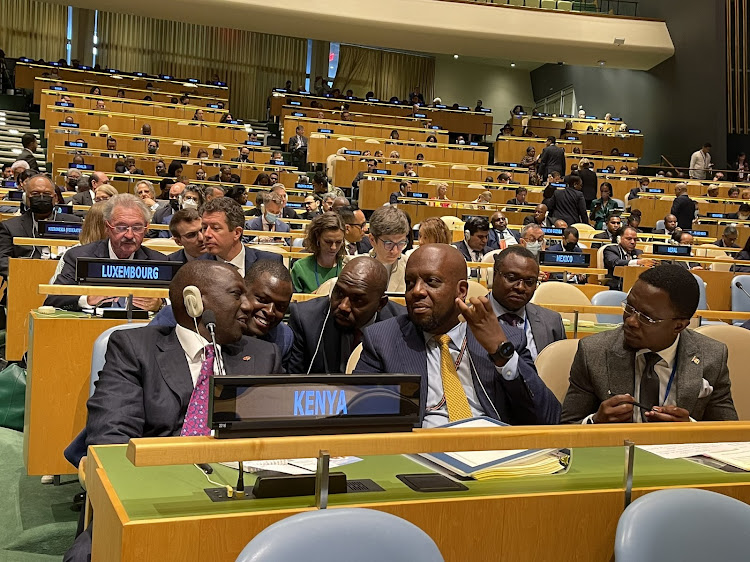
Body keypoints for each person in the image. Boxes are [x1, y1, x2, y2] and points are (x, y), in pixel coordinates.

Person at [63, 260, 283, 561]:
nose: (248, 306)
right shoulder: (134, 348)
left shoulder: (263, 355)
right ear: (195, 301)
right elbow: (111, 441)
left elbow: (275, 441)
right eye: (236, 294)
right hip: (153, 495)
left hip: (236, 496)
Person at [354, 244, 561, 426]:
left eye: (431, 281)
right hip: (420, 454)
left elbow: (547, 417)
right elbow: (355, 412)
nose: (416, 291)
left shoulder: (506, 338)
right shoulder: (383, 339)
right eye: (410, 282)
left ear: (461, 290)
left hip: (492, 453)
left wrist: (502, 354)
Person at [561, 265, 737, 424]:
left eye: (646, 317)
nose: (630, 321)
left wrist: (690, 429)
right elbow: (566, 427)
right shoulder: (593, 352)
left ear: (679, 325)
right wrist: (595, 422)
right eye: (629, 307)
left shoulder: (712, 356)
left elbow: (729, 434)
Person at [150, 259, 294, 365]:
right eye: (262, 299)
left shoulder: (282, 338)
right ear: (243, 290)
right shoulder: (180, 316)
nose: (270, 311)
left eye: (281, 307)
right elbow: (149, 356)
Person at [44, 194, 167, 311]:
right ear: (107, 227)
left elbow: (176, 300)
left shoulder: (159, 261)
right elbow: (54, 298)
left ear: (146, 228)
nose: (130, 235)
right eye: (121, 227)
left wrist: (161, 303)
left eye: (137, 228)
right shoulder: (78, 256)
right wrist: (87, 300)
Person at [287, 257, 405, 373]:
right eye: (339, 292)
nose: (343, 306)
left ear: (380, 304)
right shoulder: (305, 318)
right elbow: (293, 386)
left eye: (357, 300)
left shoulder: (402, 326)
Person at [0, 174, 82, 279]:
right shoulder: (10, 227)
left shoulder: (74, 223)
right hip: (25, 280)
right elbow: (2, 261)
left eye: (47, 194)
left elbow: (81, 255)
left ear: (55, 198)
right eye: (35, 194)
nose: (42, 197)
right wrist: (30, 273)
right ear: (26, 198)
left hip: (64, 279)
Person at [491, 246, 566, 360]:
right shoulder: (466, 318)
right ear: (494, 275)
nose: (521, 287)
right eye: (511, 278)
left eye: (529, 282)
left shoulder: (552, 322)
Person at [199, 197, 282, 276]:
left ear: (237, 233)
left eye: (216, 228)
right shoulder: (197, 267)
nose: (207, 234)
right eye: (204, 228)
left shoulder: (270, 263)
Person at [356, 205, 409, 293]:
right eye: (389, 244)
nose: (395, 251)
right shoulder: (357, 266)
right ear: (372, 240)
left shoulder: (410, 267)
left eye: (401, 243)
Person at [291, 212, 345, 293]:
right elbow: (292, 303)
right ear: (317, 237)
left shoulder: (347, 267)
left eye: (338, 242)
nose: (333, 247)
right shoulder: (300, 268)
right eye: (328, 242)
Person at [603, 226, 655, 290]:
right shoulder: (611, 249)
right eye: (629, 239)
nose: (633, 242)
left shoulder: (638, 252)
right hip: (616, 286)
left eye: (635, 239)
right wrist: (637, 262)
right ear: (619, 239)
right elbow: (614, 262)